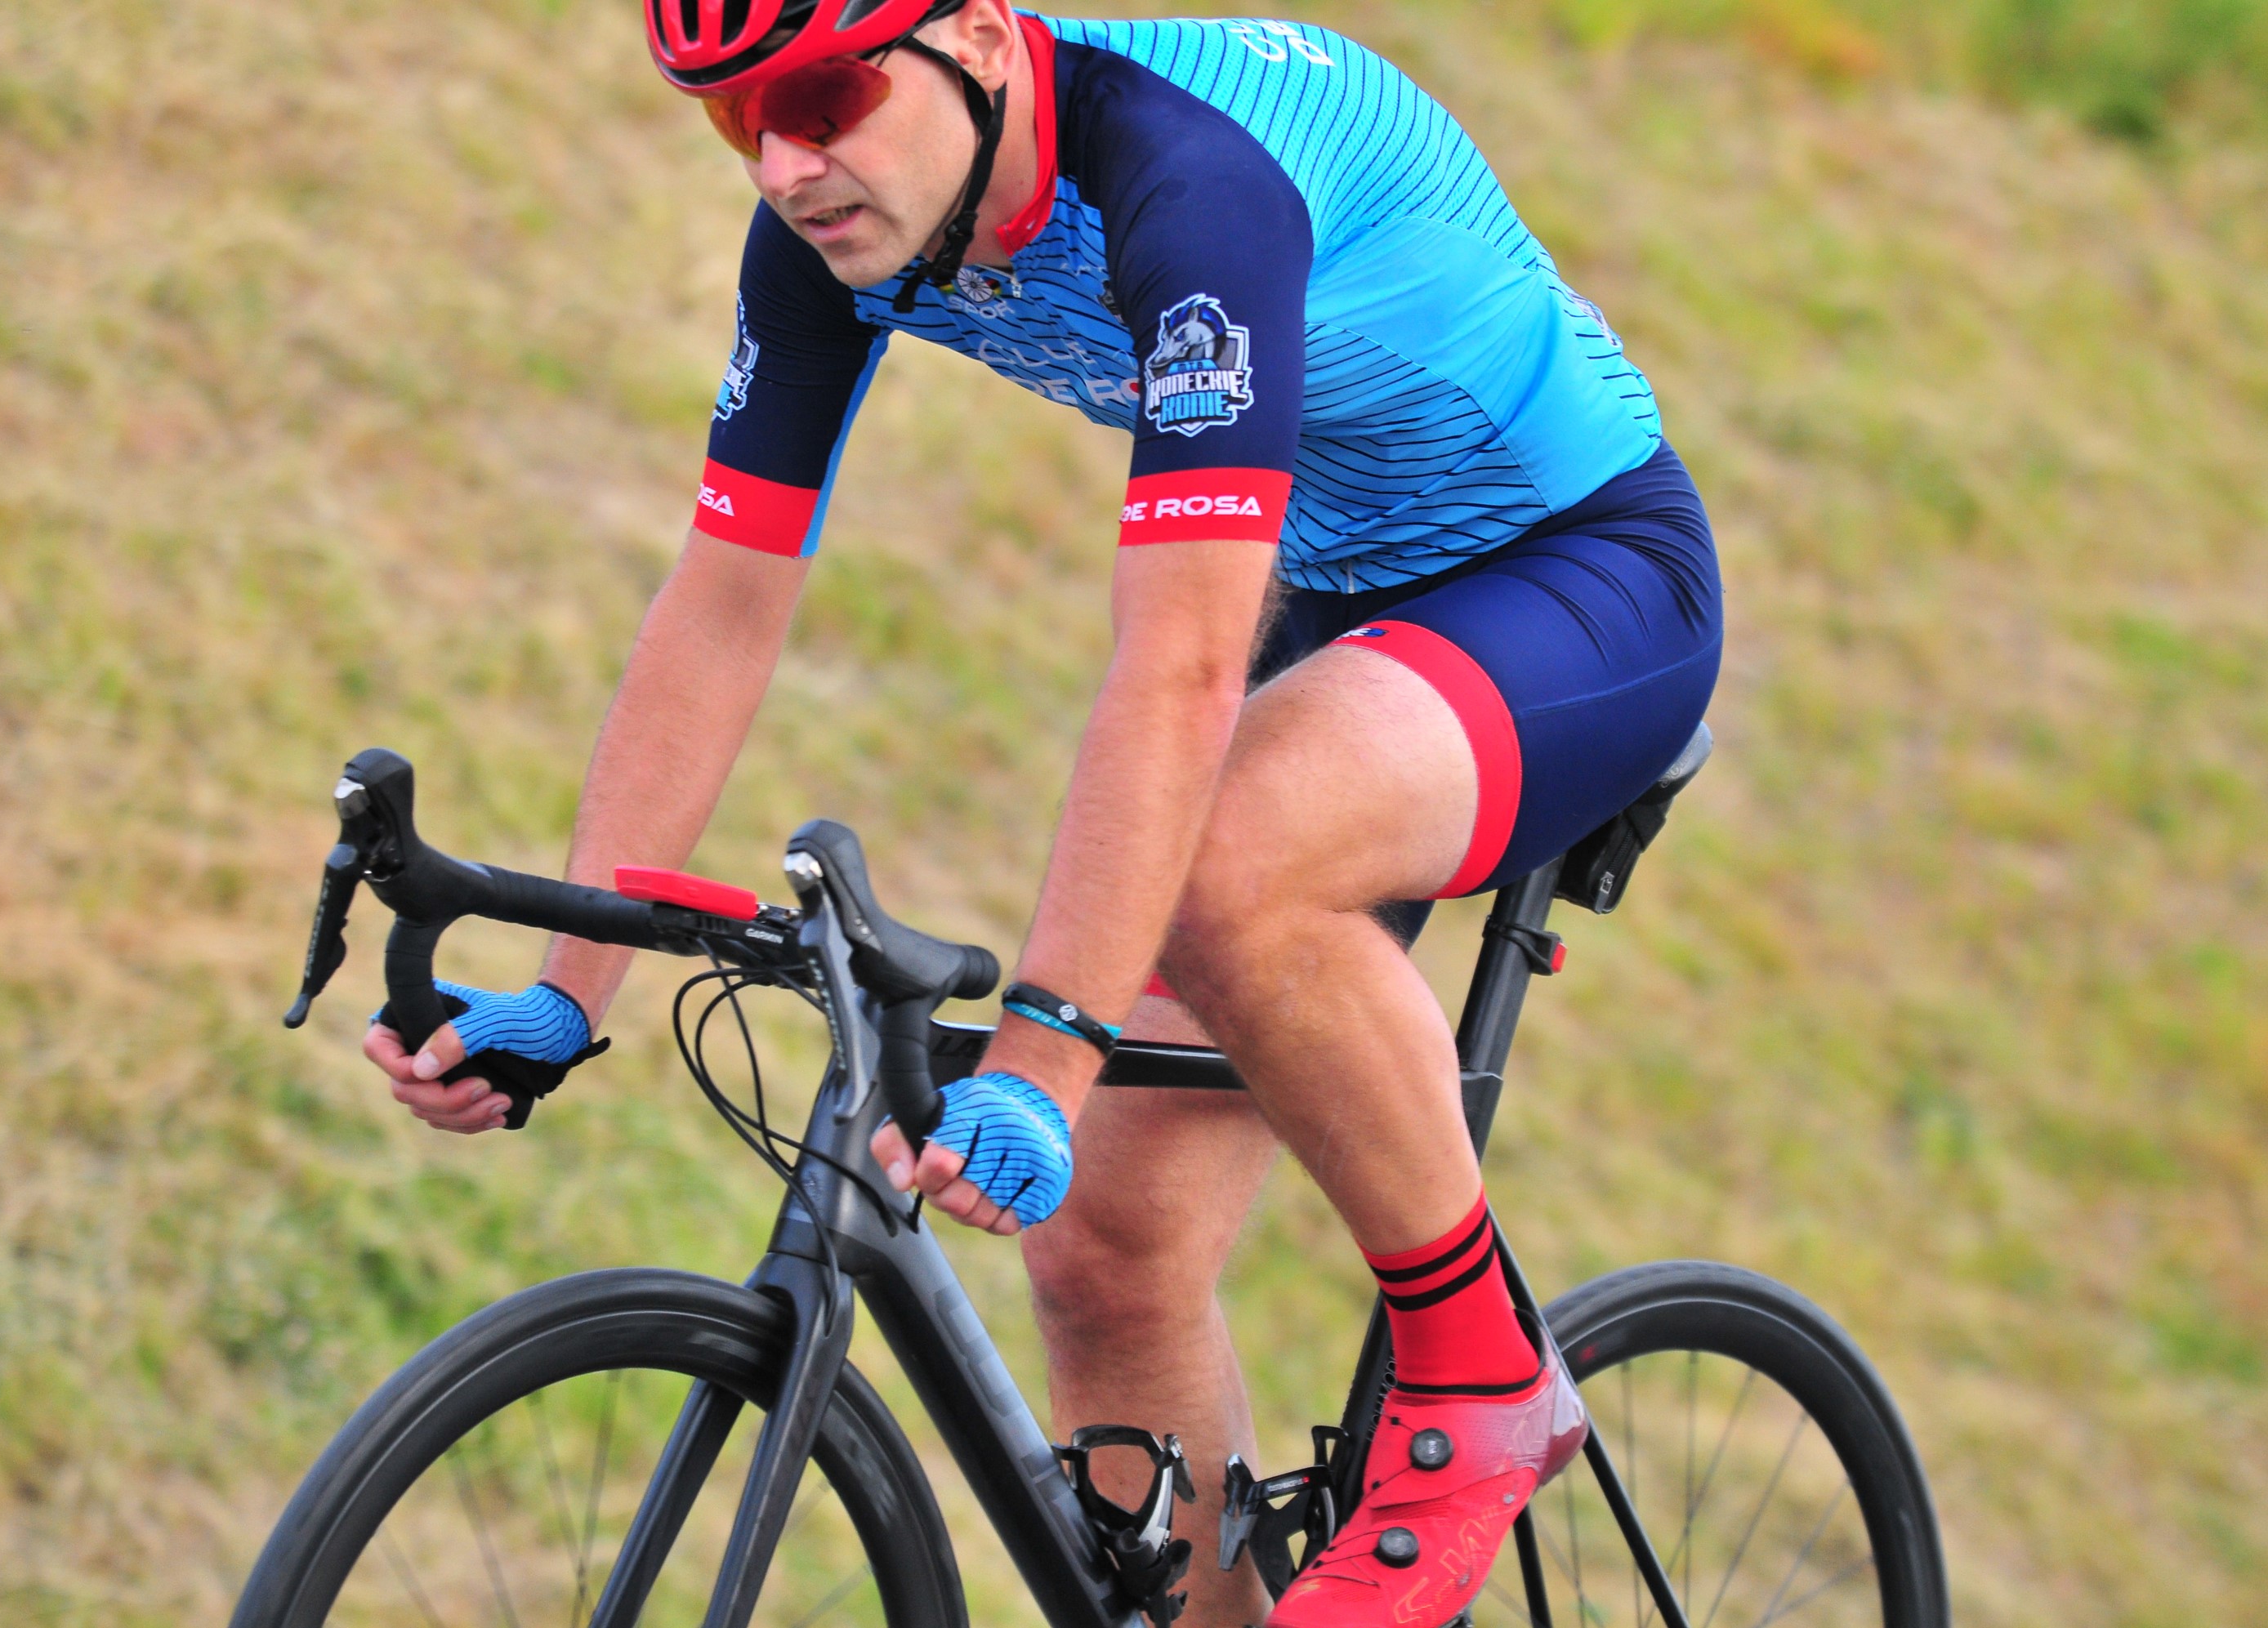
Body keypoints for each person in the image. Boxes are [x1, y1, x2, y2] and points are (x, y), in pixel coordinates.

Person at [362, 2, 1723, 1621]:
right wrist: (569, 991)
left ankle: (1479, 1365)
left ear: (985, 39)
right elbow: (723, 603)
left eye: (825, 95)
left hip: (1581, 571)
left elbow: (1181, 666)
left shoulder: (1190, 186)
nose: (786, 166)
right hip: (1338, 596)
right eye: (736, 121)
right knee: (1104, 1254)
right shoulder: (829, 228)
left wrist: (1049, 1051)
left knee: (1224, 864)